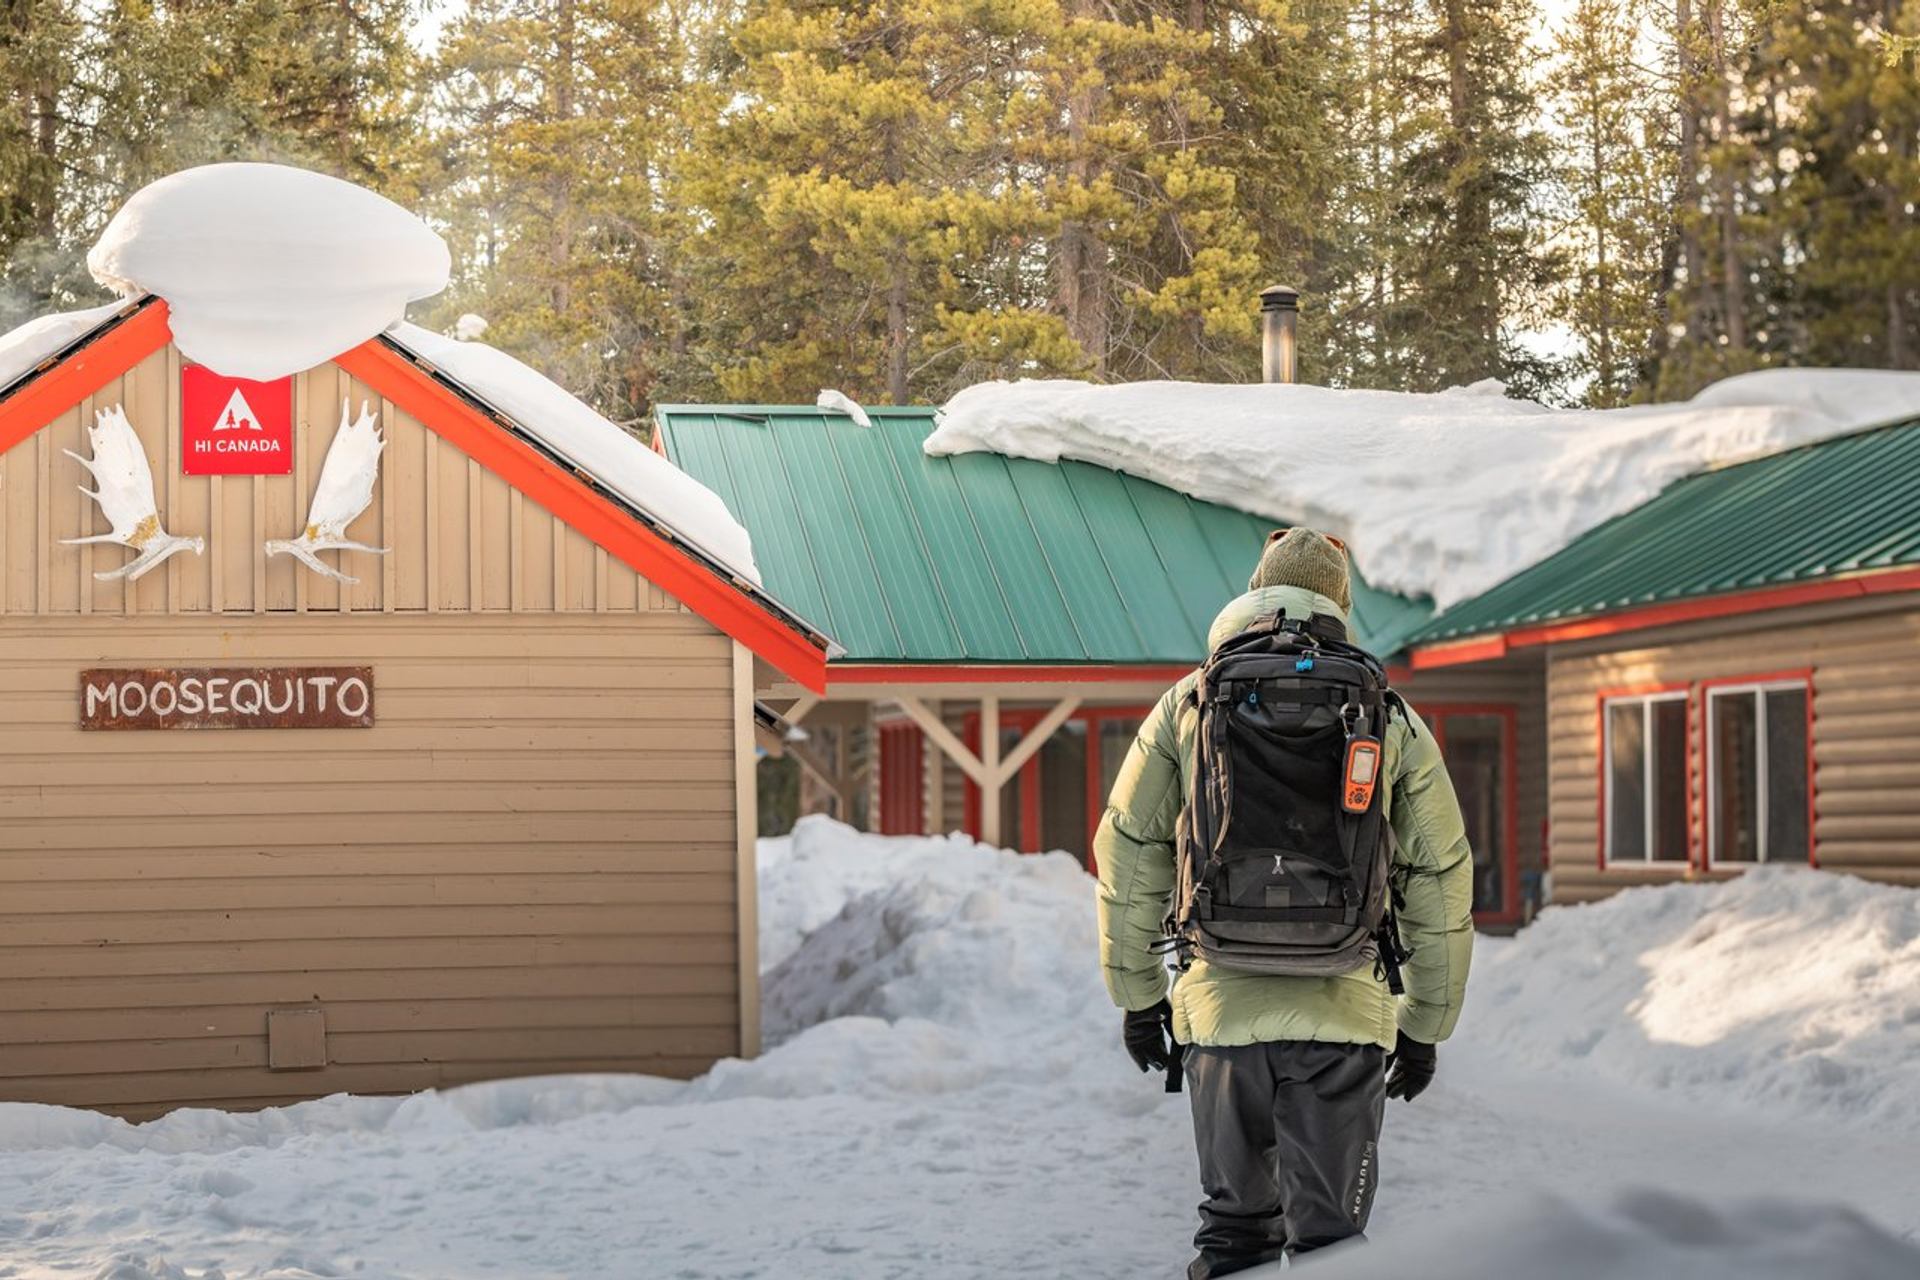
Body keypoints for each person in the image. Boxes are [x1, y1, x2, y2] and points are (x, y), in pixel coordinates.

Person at [1095, 527, 1474, 1277]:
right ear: (1339, 603)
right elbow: (1438, 874)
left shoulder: (1189, 702)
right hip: (1344, 1014)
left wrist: (1139, 999)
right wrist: (1425, 1026)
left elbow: (1132, 851)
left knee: (1233, 1233)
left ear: (1254, 589)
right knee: (1332, 1246)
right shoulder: (1386, 712)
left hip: (1220, 1008)